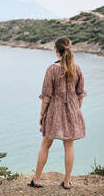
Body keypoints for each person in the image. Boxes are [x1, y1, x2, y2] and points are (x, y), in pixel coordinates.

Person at [27, 36, 87, 190]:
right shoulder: (77, 69)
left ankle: (37, 179)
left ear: (56, 50)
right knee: (69, 146)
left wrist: (42, 114)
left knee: (46, 144)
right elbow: (80, 94)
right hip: (72, 111)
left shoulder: (52, 69)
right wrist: (76, 109)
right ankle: (67, 182)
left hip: (54, 111)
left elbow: (46, 96)